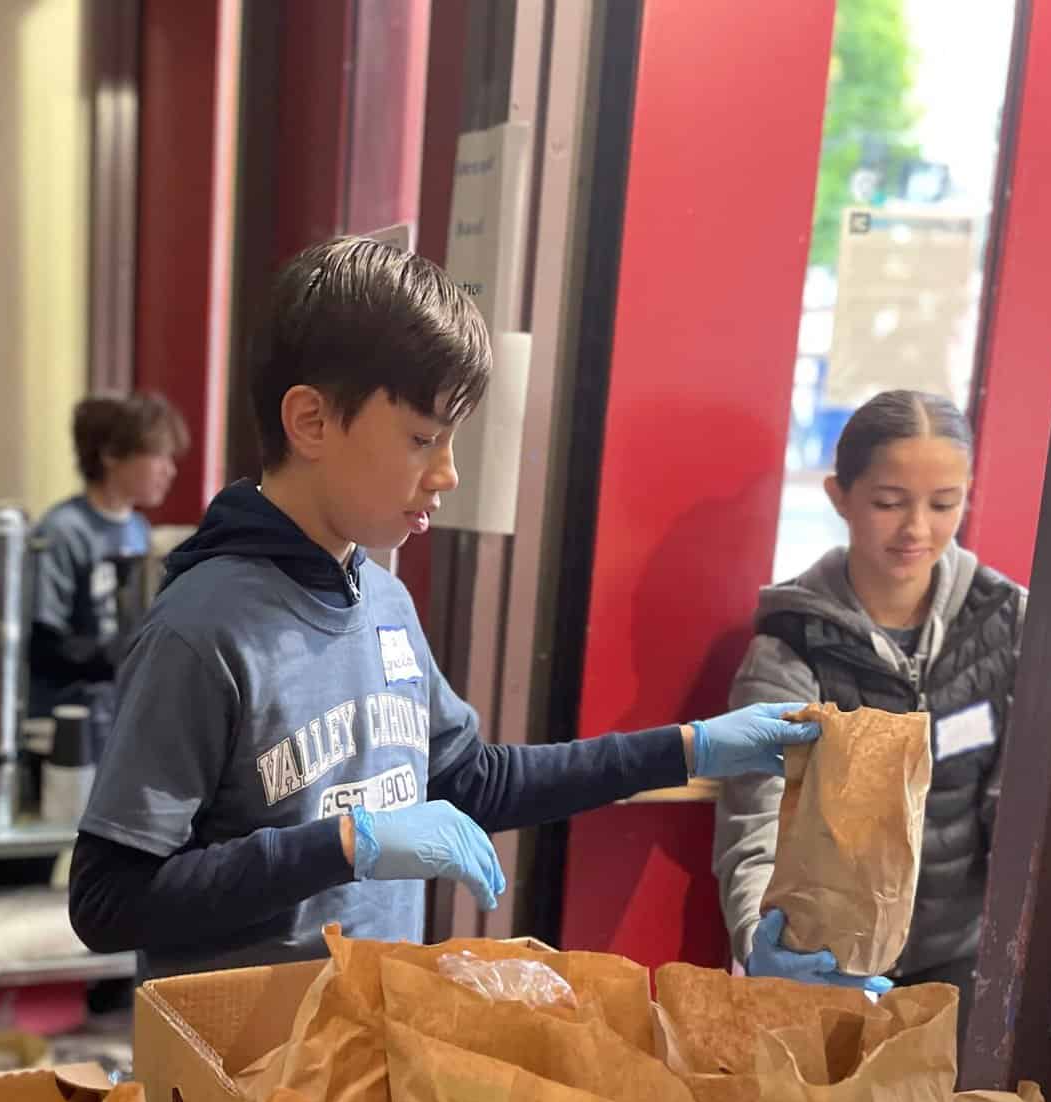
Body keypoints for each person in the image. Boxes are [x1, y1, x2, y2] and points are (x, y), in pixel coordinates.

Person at [67, 237, 817, 978]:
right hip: (240, 1071)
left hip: (368, 1045)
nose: (447, 474)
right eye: (424, 438)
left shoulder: (383, 598)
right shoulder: (202, 631)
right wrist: (348, 845)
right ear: (312, 422)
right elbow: (108, 901)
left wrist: (691, 748)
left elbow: (469, 780)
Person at [713, 390, 1026, 1019]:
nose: (917, 529)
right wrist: (763, 946)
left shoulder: (1008, 621)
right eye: (889, 503)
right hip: (831, 967)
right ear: (839, 497)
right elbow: (756, 826)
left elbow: (1026, 807)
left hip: (961, 966)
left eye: (944, 504)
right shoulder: (792, 646)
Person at [28, 391, 188, 729]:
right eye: (158, 456)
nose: (170, 471)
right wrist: (117, 655)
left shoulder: (138, 529)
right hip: (66, 717)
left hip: (118, 713)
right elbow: (44, 645)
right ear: (112, 455)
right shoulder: (64, 530)